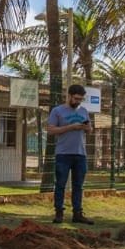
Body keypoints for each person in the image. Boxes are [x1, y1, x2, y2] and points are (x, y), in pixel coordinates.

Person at [46, 83, 94, 224]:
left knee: (78, 185)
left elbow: (89, 130)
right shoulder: (57, 111)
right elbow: (51, 130)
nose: (78, 101)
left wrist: (87, 127)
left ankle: (77, 213)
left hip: (80, 154)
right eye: (76, 98)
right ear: (69, 96)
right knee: (60, 184)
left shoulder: (84, 111)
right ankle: (59, 212)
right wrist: (71, 127)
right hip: (63, 154)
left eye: (80, 99)